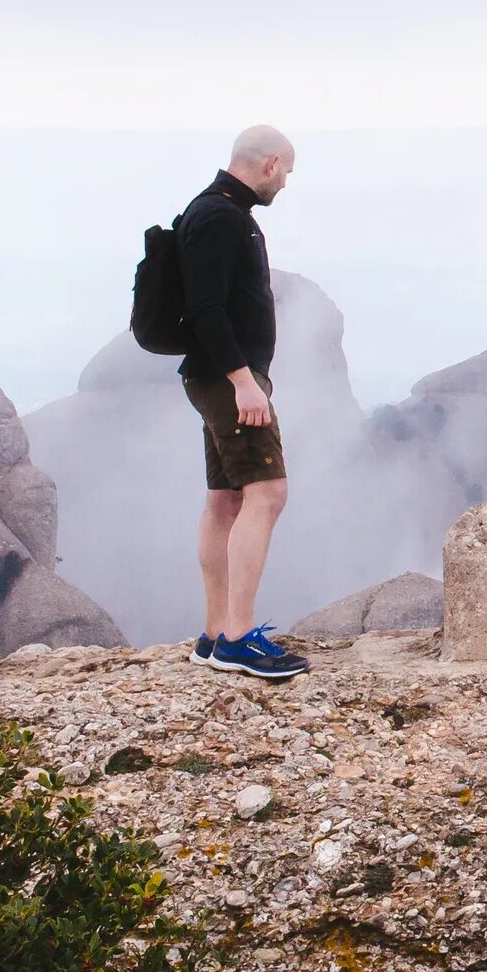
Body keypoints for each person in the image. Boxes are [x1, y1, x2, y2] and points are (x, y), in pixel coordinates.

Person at [178, 125, 308, 680]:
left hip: (220, 379)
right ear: (270, 164)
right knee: (268, 493)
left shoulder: (216, 211)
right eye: (288, 175)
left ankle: (214, 634)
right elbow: (205, 309)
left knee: (225, 501)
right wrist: (242, 380)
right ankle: (237, 638)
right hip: (229, 381)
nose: (285, 185)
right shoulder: (220, 218)